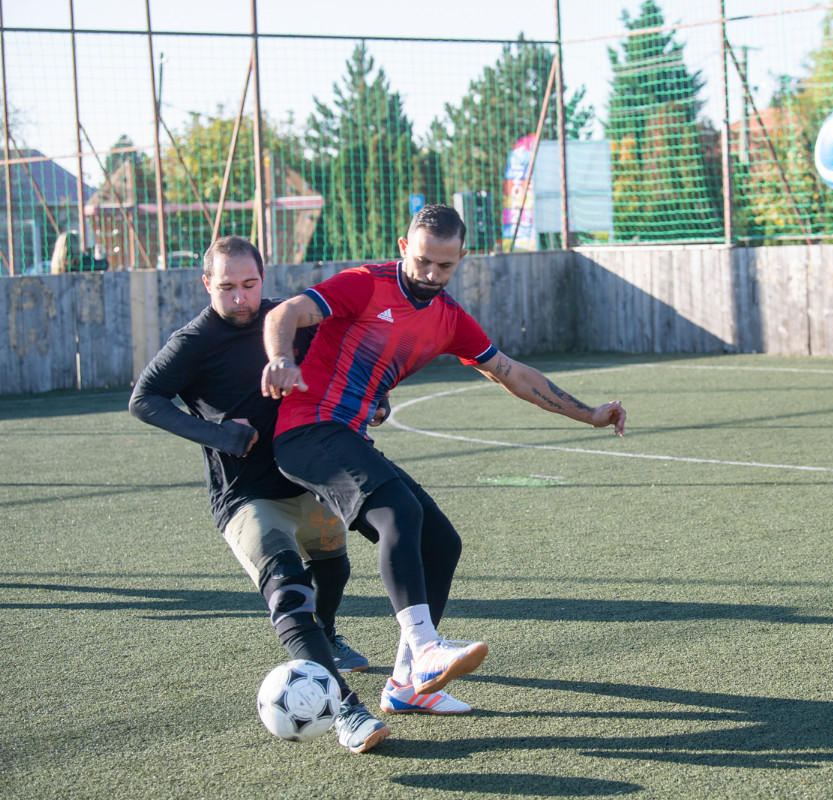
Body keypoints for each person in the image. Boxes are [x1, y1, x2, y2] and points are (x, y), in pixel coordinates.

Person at [260, 204, 626, 718]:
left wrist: (588, 414)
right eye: (423, 261)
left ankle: (406, 684)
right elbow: (285, 313)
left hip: (349, 436)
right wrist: (281, 359)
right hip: (307, 431)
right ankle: (427, 648)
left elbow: (511, 373)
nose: (432, 274)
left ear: (462, 258)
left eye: (445, 265)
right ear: (404, 247)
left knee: (441, 544)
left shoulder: (449, 318)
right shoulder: (365, 284)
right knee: (399, 512)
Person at [128, 235, 391, 754]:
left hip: (307, 479)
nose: (240, 298)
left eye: (249, 285)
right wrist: (218, 434)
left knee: (333, 567)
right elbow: (144, 399)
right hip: (246, 497)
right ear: (206, 283)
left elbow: (350, 360)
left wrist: (376, 401)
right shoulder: (193, 342)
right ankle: (346, 710)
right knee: (290, 591)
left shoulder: (285, 322)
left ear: (263, 279)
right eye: (227, 287)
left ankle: (326, 636)